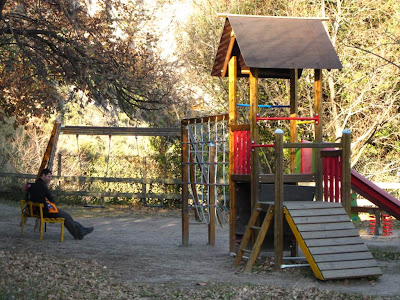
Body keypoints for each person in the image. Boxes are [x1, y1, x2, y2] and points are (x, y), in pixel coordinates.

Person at [29, 168, 94, 240]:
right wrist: (51, 203)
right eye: (49, 176)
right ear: (43, 175)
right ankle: (79, 234)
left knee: (66, 216)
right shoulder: (42, 186)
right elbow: (51, 198)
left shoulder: (35, 185)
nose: (50, 179)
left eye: (50, 177)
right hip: (45, 211)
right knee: (66, 216)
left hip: (38, 209)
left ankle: (80, 231)